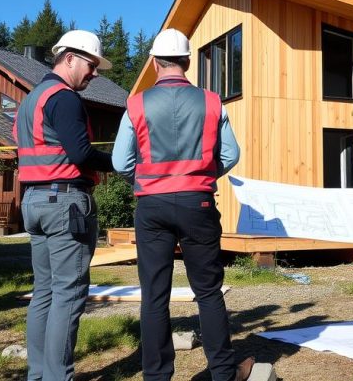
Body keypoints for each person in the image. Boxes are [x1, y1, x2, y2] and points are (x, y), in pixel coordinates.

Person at [112, 28, 255, 381]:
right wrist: (204, 175)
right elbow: (231, 154)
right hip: (198, 204)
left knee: (154, 295)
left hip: (152, 206)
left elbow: (119, 162)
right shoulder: (211, 101)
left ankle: (157, 377)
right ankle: (223, 373)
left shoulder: (136, 104)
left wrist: (144, 180)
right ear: (188, 62)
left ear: (155, 63)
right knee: (208, 291)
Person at [14, 29, 114, 381]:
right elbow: (81, 153)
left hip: (34, 201)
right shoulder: (66, 98)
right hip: (65, 203)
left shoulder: (31, 100)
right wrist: (122, 162)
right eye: (91, 64)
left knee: (44, 292)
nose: (96, 72)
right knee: (69, 294)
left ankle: (39, 375)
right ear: (68, 57)